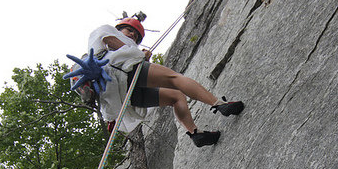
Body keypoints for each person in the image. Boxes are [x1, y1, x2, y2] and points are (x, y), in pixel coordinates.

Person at [69, 17, 244, 147]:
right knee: (175, 79)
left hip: (122, 97)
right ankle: (219, 104)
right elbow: (110, 41)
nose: (133, 36)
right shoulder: (107, 30)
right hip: (121, 71)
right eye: (129, 31)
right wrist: (137, 54)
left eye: (136, 36)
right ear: (119, 28)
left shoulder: (125, 45)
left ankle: (195, 133)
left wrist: (136, 52)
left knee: (176, 96)